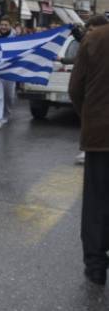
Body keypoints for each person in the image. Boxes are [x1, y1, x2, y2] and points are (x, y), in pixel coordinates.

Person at [69, 23, 109, 286]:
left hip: (100, 136)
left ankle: (95, 266)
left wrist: (89, 116)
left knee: (96, 202)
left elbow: (75, 88)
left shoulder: (94, 39)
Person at [0, 17, 17, 131]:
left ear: (10, 26)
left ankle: (6, 114)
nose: (3, 27)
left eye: (6, 25)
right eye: (2, 24)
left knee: (9, 96)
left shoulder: (16, 38)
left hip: (10, 71)